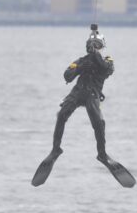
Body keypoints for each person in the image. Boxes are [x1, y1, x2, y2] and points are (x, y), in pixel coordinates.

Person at [49, 24, 114, 164]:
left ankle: (101, 154)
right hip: (78, 92)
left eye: (98, 45)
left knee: (99, 123)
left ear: (102, 47)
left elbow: (107, 69)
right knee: (61, 115)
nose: (95, 48)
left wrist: (96, 55)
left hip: (93, 94)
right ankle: (56, 149)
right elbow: (67, 76)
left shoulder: (107, 60)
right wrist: (79, 68)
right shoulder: (80, 61)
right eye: (92, 45)